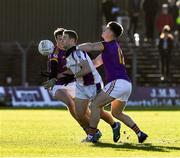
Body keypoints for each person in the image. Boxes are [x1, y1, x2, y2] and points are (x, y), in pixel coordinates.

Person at [77, 21, 148, 143]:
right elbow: (95, 63)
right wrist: (77, 67)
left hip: (117, 82)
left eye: (106, 29)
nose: (104, 30)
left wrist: (74, 48)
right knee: (116, 113)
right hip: (126, 84)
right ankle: (140, 133)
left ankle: (92, 135)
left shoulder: (107, 44)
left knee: (94, 105)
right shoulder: (112, 47)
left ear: (111, 33)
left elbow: (91, 46)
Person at [59, 29, 121, 142]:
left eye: (64, 38)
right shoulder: (68, 54)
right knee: (79, 114)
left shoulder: (77, 52)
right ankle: (95, 133)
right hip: (81, 86)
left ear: (72, 40)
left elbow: (86, 69)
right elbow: (73, 70)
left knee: (98, 111)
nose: (62, 40)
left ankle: (114, 125)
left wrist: (72, 76)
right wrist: (58, 77)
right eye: (61, 39)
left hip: (93, 85)